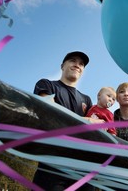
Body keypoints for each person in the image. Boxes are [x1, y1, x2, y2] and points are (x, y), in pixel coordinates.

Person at [32, 51, 103, 191]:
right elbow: (49, 113)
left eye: (81, 64)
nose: (77, 65)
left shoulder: (86, 99)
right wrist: (85, 121)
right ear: (62, 66)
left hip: (83, 169)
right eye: (73, 60)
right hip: (53, 164)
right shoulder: (46, 84)